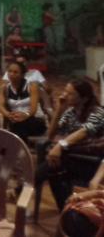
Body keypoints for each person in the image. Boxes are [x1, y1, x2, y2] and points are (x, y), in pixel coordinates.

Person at [36, 79, 104, 211]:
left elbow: (84, 131)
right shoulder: (70, 112)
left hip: (94, 163)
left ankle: (25, 185)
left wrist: (59, 146)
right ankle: (67, 211)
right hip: (73, 158)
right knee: (54, 170)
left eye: (70, 93)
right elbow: (49, 136)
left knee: (54, 164)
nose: (64, 95)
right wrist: (59, 110)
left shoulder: (98, 112)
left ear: (84, 98)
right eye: (65, 91)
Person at [0, 61, 46, 142]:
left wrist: (25, 115)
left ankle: (16, 148)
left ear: (22, 74)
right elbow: (0, 105)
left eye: (15, 72)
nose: (11, 74)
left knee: (19, 125)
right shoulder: (5, 88)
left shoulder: (32, 86)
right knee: (17, 125)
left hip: (34, 120)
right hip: (15, 120)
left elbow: (33, 110)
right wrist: (8, 115)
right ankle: (22, 148)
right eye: (9, 71)